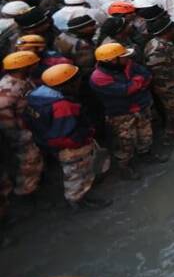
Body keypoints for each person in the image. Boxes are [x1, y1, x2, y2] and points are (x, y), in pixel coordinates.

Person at [25, 64, 111, 209]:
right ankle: (78, 200)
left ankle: (79, 195)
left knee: (74, 172)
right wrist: (83, 138)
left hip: (49, 143)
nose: (78, 83)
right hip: (71, 147)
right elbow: (64, 133)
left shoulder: (36, 96)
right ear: (67, 83)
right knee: (75, 174)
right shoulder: (62, 105)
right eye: (75, 80)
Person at [89, 42, 161, 179]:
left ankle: (145, 153)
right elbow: (125, 91)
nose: (127, 58)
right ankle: (125, 167)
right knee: (125, 142)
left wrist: (135, 84)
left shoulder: (127, 64)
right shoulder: (98, 77)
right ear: (111, 60)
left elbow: (147, 75)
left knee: (145, 134)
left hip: (141, 107)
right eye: (123, 57)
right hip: (121, 114)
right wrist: (137, 83)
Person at [0, 51, 44, 197]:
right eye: (33, 64)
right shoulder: (7, 93)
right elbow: (7, 124)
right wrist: (22, 138)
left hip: (30, 125)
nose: (36, 66)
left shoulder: (23, 80)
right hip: (20, 134)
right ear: (23, 67)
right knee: (29, 162)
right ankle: (27, 192)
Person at [143, 17, 174, 140]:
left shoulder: (164, 44)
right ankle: (173, 136)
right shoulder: (157, 50)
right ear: (167, 31)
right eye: (173, 28)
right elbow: (158, 73)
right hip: (170, 88)